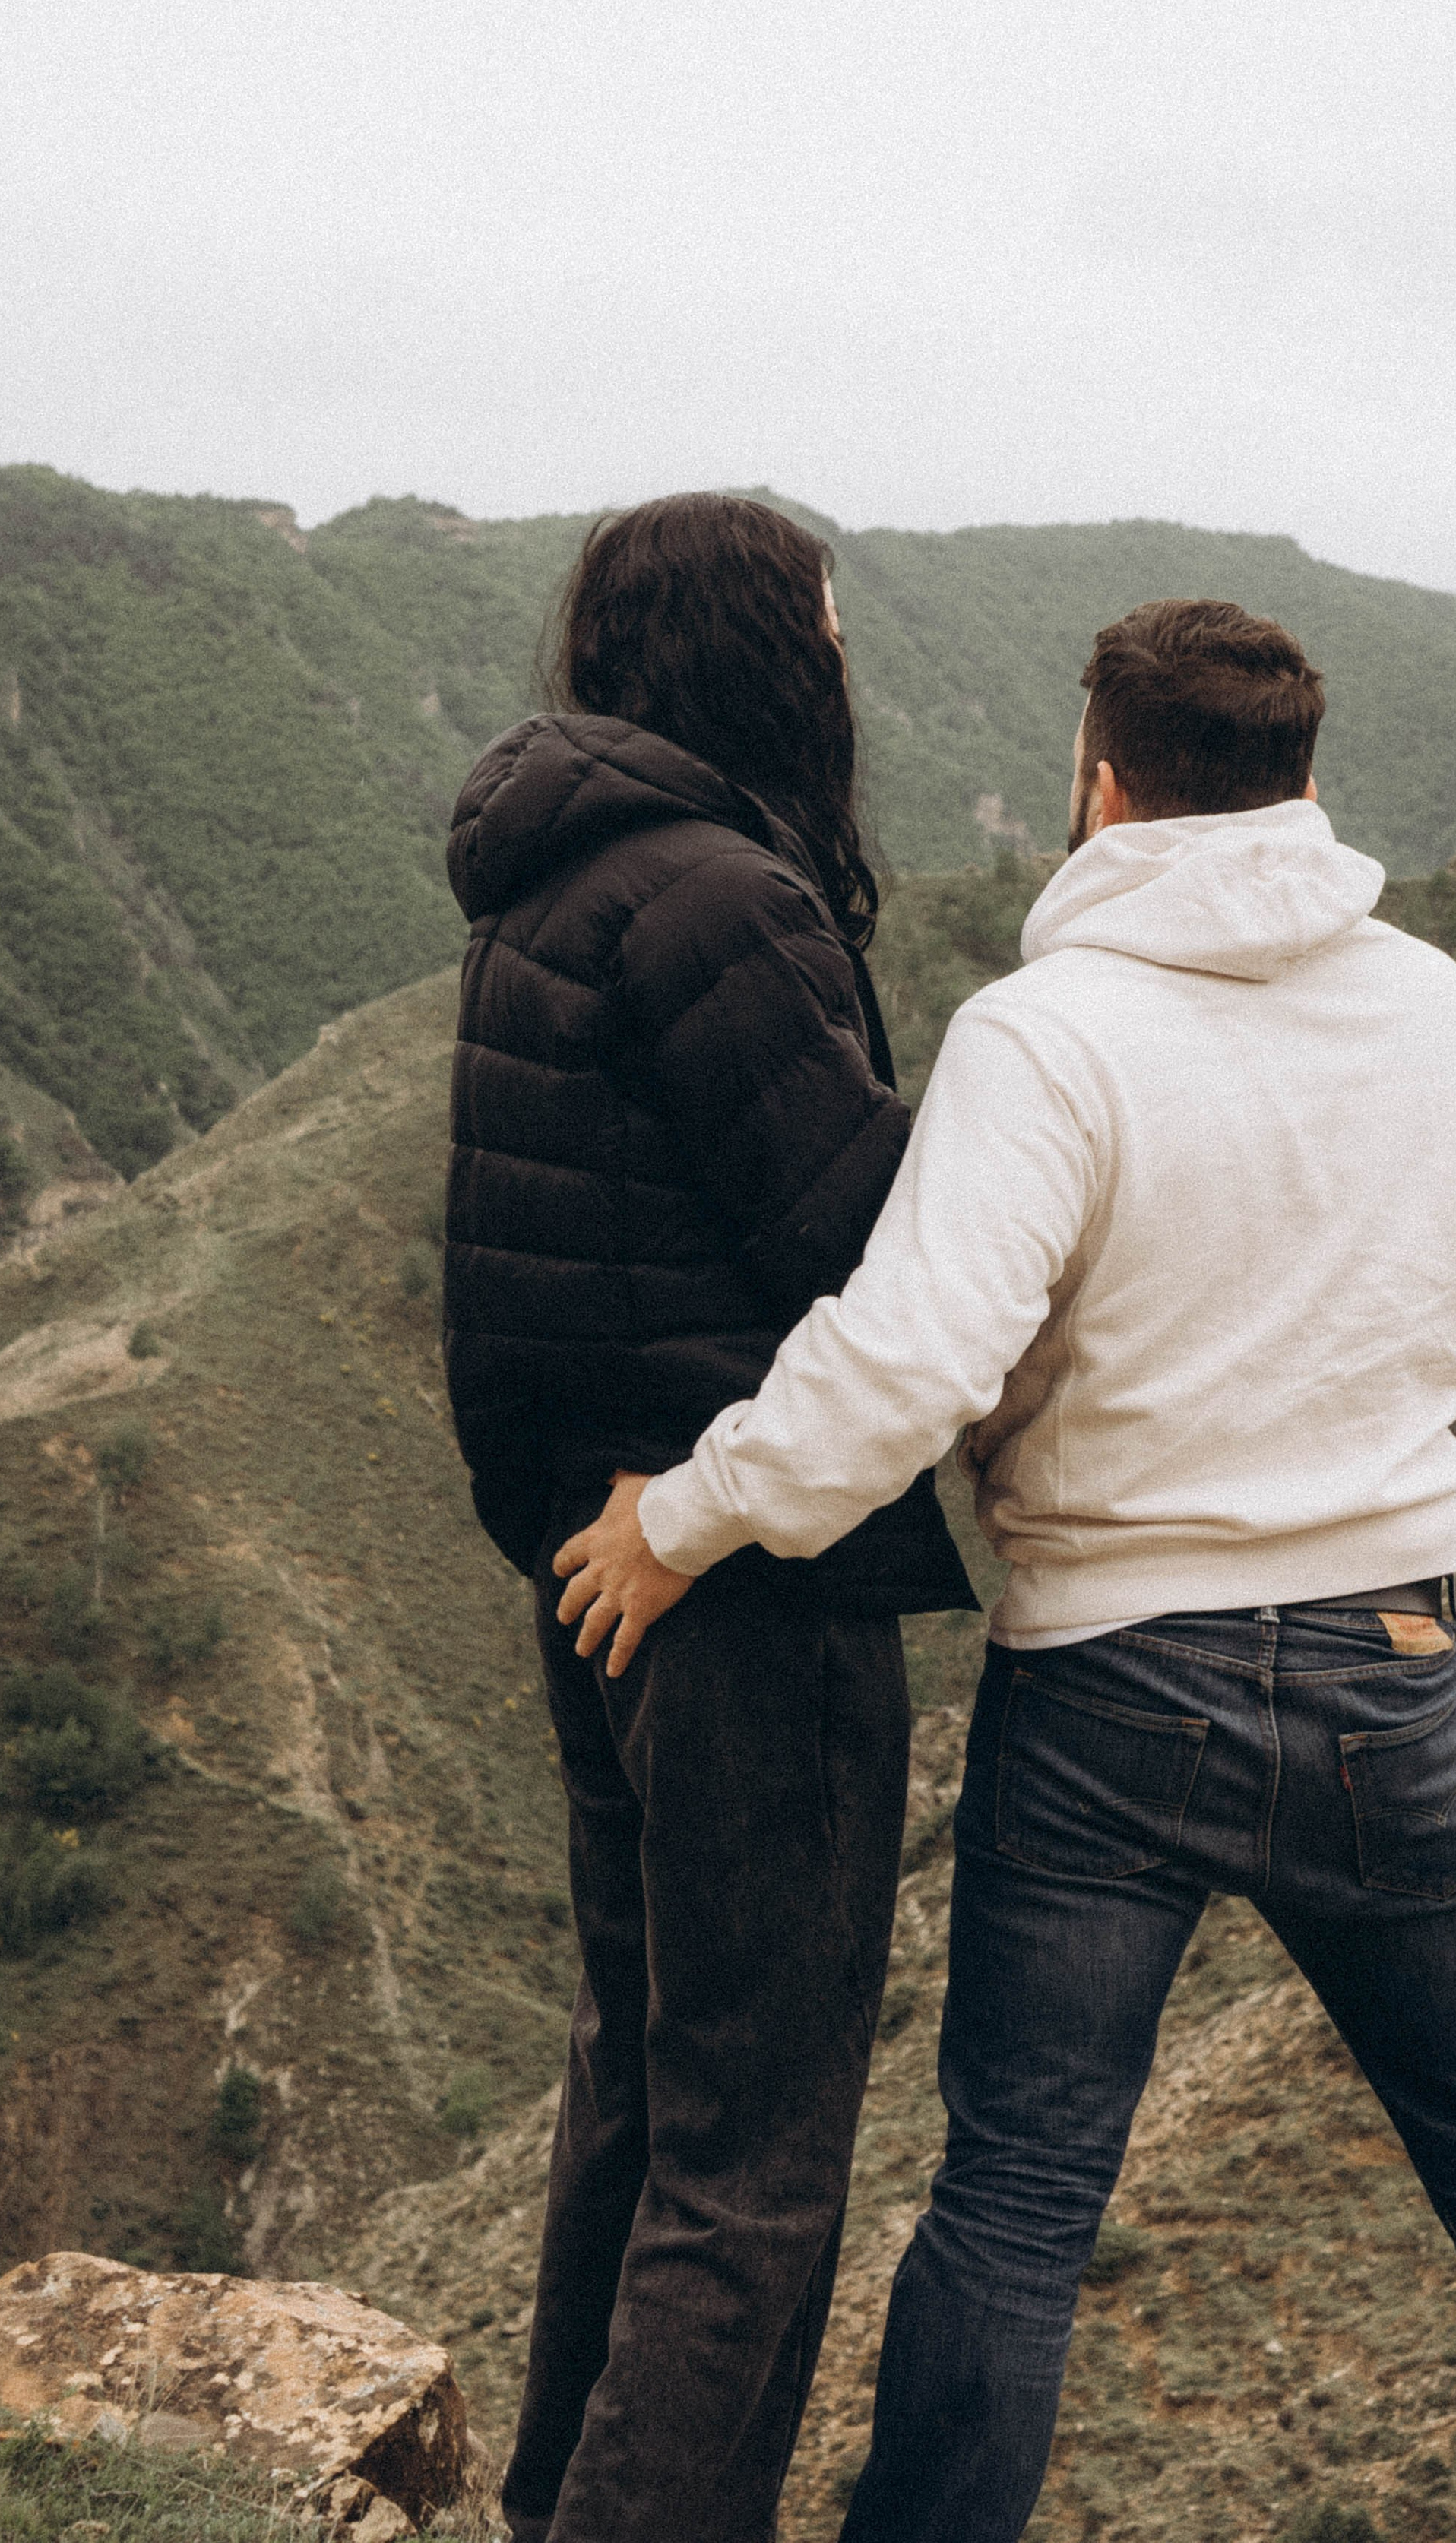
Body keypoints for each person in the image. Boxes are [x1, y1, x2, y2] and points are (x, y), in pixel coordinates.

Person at [556, 595, 1456, 2543]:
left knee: (1016, 2202)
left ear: (1098, 783)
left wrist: (681, 1518)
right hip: (1381, 1659)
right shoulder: (1433, 1005)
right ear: (1303, 782)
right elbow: (1447, 1255)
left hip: (1111, 1683)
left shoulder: (1047, 1037)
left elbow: (913, 1357)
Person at [441, 492, 975, 2543]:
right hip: (741, 1567)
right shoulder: (725, 902)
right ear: (767, 648)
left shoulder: (551, 884)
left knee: (642, 2090)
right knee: (755, 2151)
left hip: (597, 1558)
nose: (850, 661)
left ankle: (554, 2502)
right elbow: (868, 1243)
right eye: (829, 625)